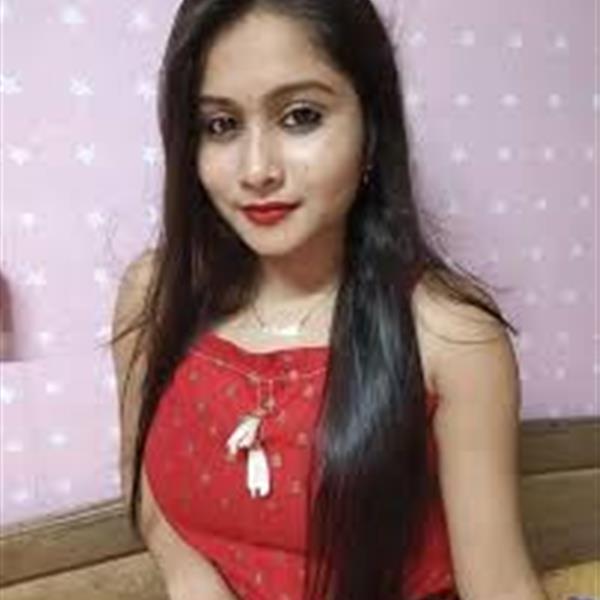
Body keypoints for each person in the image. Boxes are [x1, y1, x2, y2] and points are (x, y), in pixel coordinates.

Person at [110, 1, 550, 599]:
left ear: (371, 129)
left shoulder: (450, 336)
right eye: (221, 125)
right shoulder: (155, 296)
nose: (257, 169)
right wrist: (191, 580)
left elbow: (500, 587)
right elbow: (143, 487)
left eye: (301, 116)